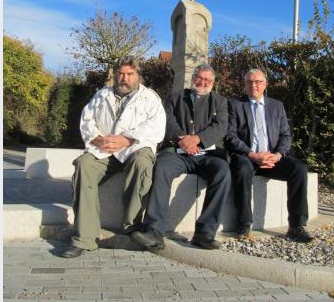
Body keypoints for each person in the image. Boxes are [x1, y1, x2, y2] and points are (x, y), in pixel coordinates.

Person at [60, 56, 166, 258]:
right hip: (105, 150)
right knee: (84, 165)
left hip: (134, 148)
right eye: (121, 74)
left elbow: (156, 128)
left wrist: (127, 140)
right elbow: (87, 120)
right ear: (115, 75)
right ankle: (84, 238)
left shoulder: (150, 98)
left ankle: (132, 227)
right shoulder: (101, 95)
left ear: (138, 76)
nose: (124, 78)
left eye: (130, 74)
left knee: (143, 163)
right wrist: (97, 139)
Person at [130, 64, 230, 251]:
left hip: (207, 154)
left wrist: (197, 140)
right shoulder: (175, 96)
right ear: (193, 78)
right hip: (177, 152)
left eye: (208, 80)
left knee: (223, 172)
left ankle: (205, 233)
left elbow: (220, 126)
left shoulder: (220, 101)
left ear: (213, 83)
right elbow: (166, 120)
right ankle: (154, 230)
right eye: (200, 78)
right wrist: (183, 139)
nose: (203, 82)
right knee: (161, 168)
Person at [225, 68, 313, 242]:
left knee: (299, 169)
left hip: (272, 158)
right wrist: (252, 154)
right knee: (241, 170)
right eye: (249, 82)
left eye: (258, 81)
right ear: (244, 85)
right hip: (247, 156)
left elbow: (285, 135)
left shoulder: (276, 106)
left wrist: (278, 155)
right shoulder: (234, 104)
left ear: (265, 84)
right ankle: (244, 224)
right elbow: (230, 136)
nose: (253, 85)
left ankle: (296, 226)